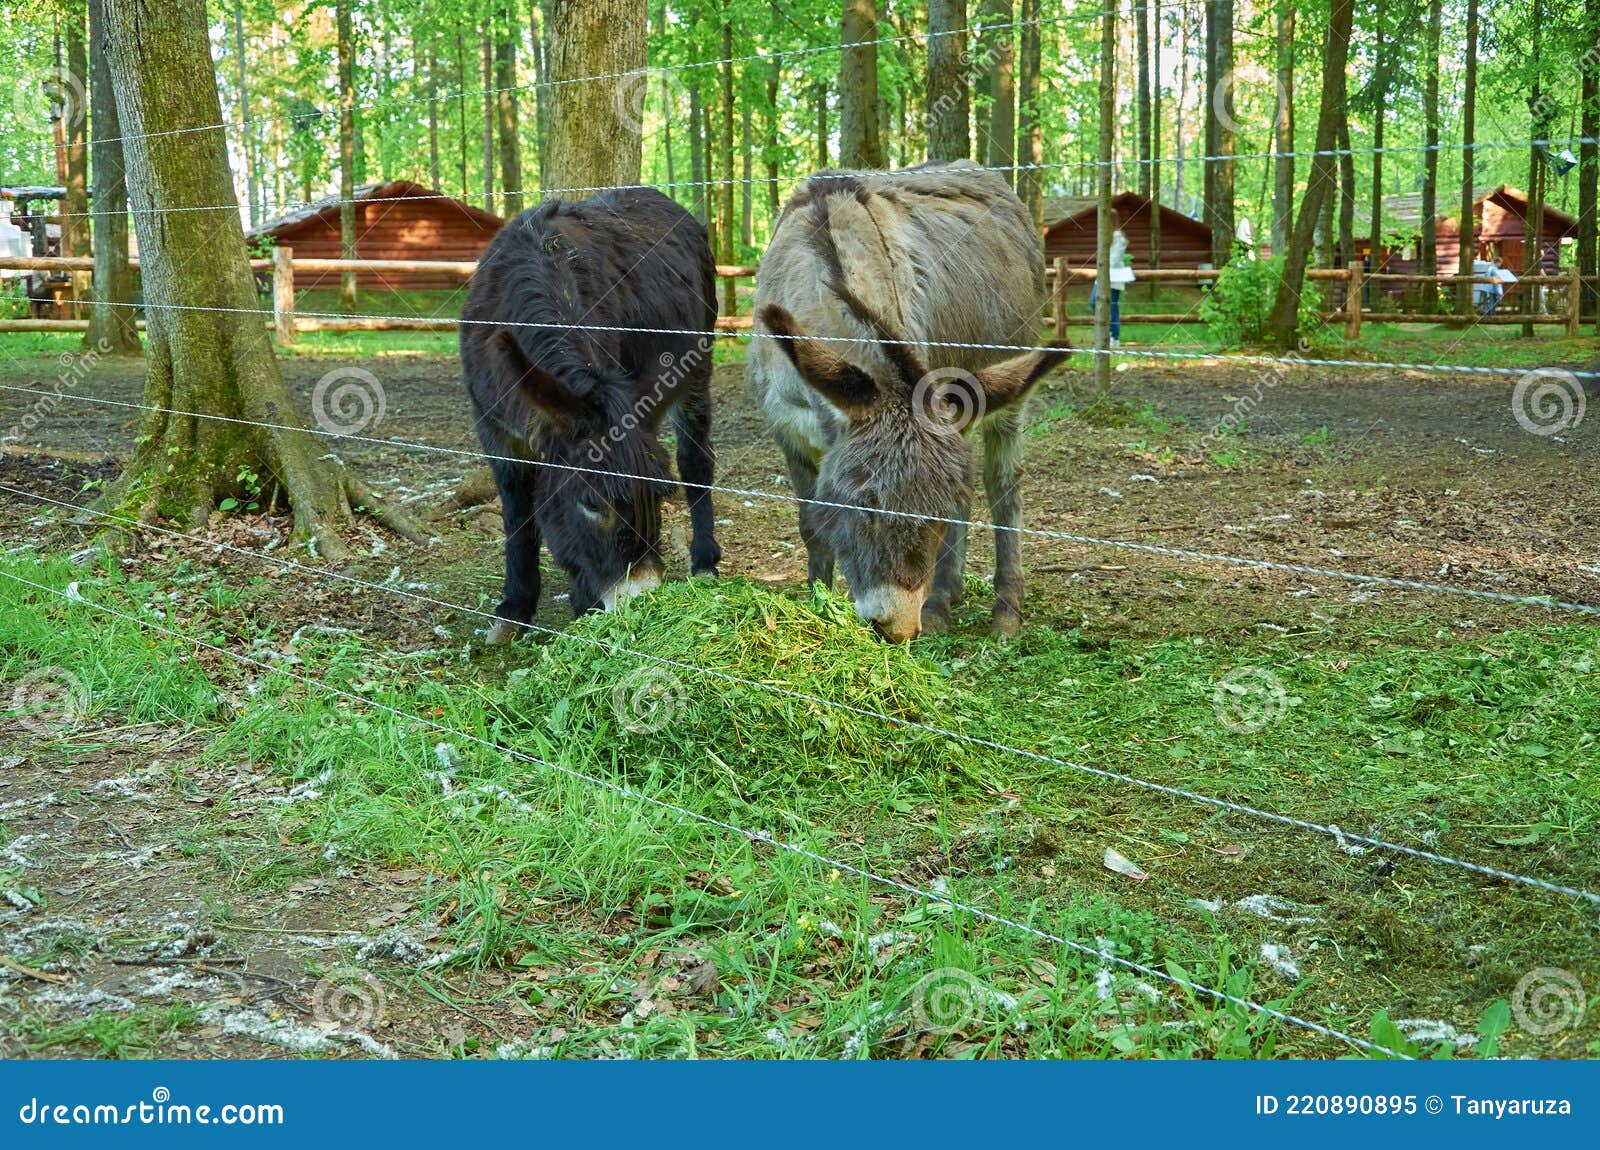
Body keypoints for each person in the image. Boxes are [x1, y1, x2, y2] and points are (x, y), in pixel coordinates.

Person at [1089, 210, 1136, 347]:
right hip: (1103, 274)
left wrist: (1104, 269)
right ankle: (1105, 332)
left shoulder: (1118, 236)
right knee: (1094, 302)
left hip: (1113, 275)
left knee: (1112, 305)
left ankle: (1114, 337)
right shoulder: (1107, 236)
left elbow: (1114, 259)